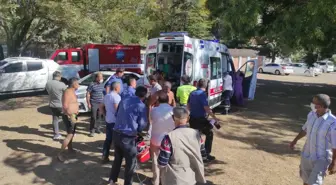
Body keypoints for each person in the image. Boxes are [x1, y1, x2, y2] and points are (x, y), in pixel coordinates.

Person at [290, 94, 336, 185]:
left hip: (321, 158)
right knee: (306, 181)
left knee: (313, 183)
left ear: (322, 106)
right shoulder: (311, 115)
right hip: (307, 155)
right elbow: (305, 129)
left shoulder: (333, 122)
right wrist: (295, 140)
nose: (312, 104)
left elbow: (335, 144)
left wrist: (334, 163)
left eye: (314, 103)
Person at [109, 86, 148, 185]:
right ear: (145, 96)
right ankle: (127, 183)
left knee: (117, 159)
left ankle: (112, 180)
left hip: (116, 133)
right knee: (130, 162)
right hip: (128, 137)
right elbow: (143, 124)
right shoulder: (141, 106)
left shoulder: (124, 100)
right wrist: (138, 131)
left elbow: (117, 114)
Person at [158, 106, 207, 185]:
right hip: (192, 178)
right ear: (188, 118)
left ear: (173, 118)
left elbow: (162, 162)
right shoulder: (197, 134)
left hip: (174, 179)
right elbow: (203, 155)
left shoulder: (169, 137)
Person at [188, 78, 220, 161]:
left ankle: (193, 153)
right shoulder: (202, 94)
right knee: (209, 133)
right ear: (206, 86)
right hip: (200, 120)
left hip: (192, 119)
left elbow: (188, 106)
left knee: (195, 136)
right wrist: (214, 117)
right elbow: (206, 108)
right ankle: (206, 154)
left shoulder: (192, 93)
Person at [150, 92, 175, 185]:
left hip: (155, 139)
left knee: (155, 159)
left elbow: (152, 120)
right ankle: (165, 180)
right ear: (168, 100)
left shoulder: (154, 110)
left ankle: (156, 180)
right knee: (167, 160)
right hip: (169, 140)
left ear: (158, 100)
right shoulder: (173, 110)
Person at [57, 78, 80, 162]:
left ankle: (70, 149)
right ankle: (60, 153)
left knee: (72, 133)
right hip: (69, 116)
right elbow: (65, 106)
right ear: (74, 84)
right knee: (70, 134)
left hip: (73, 115)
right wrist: (71, 116)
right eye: (77, 83)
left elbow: (72, 103)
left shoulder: (72, 91)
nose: (79, 85)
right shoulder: (67, 92)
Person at [101, 81, 121, 163]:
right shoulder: (116, 97)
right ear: (116, 88)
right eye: (119, 87)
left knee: (108, 139)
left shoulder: (107, 96)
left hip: (108, 120)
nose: (120, 89)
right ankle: (117, 158)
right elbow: (117, 109)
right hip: (115, 121)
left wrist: (105, 114)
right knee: (117, 140)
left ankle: (105, 156)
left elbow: (101, 106)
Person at [45, 71, 67, 140]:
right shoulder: (62, 84)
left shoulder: (48, 83)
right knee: (66, 119)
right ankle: (69, 132)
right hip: (61, 104)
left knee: (55, 119)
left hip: (52, 104)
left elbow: (48, 92)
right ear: (59, 76)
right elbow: (66, 93)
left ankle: (56, 134)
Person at [87, 72, 105, 137]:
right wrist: (88, 103)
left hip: (101, 103)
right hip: (94, 103)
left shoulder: (102, 84)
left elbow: (103, 93)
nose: (102, 78)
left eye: (102, 77)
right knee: (93, 117)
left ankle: (98, 128)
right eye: (100, 77)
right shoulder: (92, 84)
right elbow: (88, 94)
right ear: (97, 78)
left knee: (99, 117)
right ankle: (92, 130)